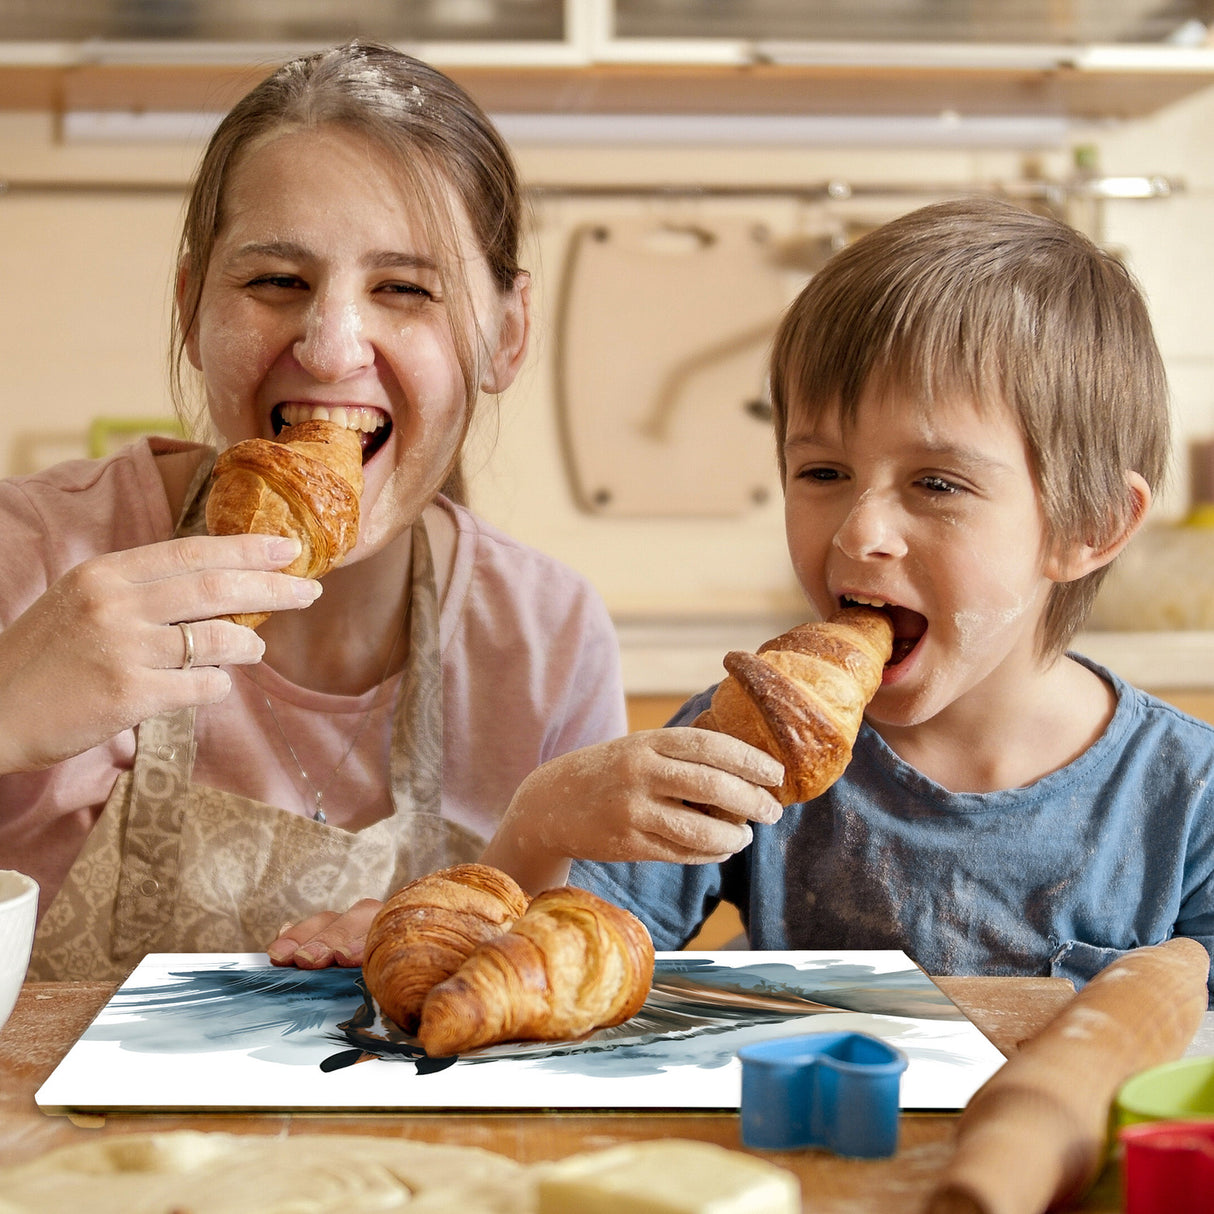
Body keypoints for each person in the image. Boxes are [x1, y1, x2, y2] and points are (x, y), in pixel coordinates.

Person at [2, 40, 631, 982]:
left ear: (506, 335)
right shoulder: (34, 557)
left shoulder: (544, 638)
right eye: (275, 282)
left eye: (405, 289)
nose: (333, 347)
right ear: (190, 308)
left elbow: (583, 982)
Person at [488, 196, 1214, 996]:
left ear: (1091, 524)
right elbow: (550, 971)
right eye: (823, 473)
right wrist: (541, 819)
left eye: (937, 482)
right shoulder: (748, 739)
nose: (859, 531)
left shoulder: (1188, 799)